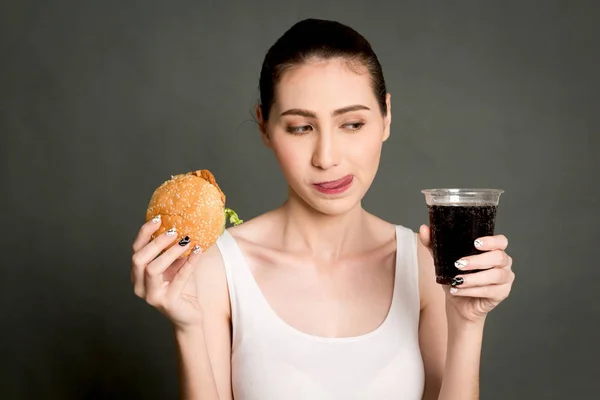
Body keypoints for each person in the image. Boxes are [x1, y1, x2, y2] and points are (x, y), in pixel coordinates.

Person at [130, 18, 515, 400]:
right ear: (264, 126)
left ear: (386, 116)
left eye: (352, 124)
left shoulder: (427, 264)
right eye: (301, 128)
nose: (327, 158)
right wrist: (188, 329)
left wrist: (468, 322)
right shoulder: (217, 268)